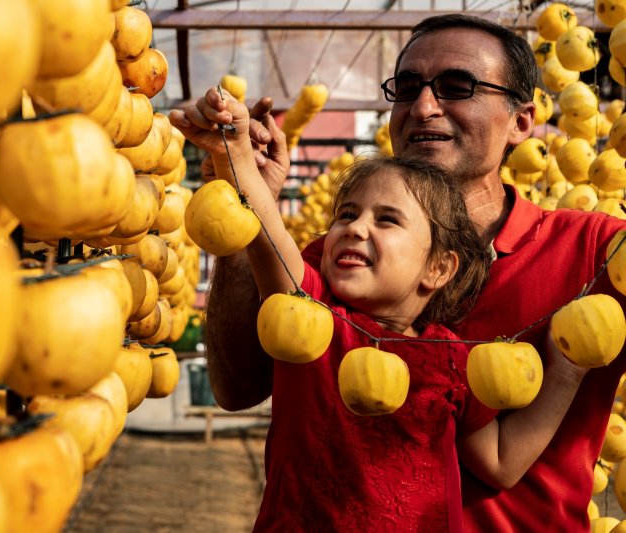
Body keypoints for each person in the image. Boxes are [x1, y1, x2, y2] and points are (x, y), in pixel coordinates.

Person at [171, 13, 626, 533]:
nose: (424, 106)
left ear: (522, 122)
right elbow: (235, 391)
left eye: (458, 87)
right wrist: (242, 194)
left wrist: (567, 364)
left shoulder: (598, 252)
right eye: (407, 88)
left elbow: (502, 459)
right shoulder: (338, 274)